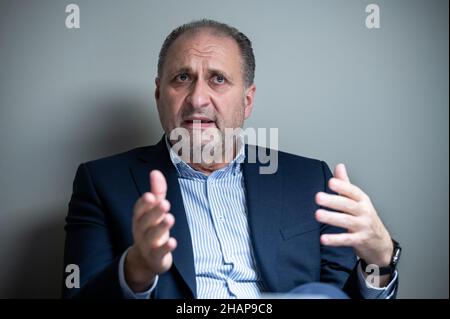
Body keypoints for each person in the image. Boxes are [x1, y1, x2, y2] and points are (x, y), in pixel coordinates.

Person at [63, 19, 400, 299]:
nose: (197, 98)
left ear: (247, 101)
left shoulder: (310, 179)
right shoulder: (102, 183)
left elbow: (342, 295)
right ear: (158, 94)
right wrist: (134, 269)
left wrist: (381, 261)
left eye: (218, 79)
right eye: (182, 78)